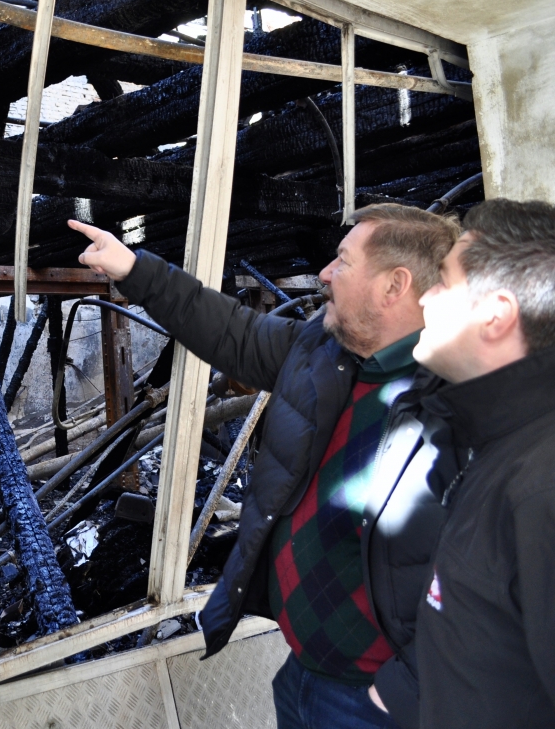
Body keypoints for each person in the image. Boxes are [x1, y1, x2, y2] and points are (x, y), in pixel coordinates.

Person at [70, 204, 459, 729]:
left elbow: (499, 576)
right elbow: (233, 330)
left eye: (343, 261)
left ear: (394, 286)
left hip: (379, 700)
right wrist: (134, 269)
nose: (324, 273)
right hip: (302, 666)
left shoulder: (460, 404)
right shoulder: (323, 350)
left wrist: (404, 689)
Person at [409, 199, 555, 728]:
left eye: (443, 282)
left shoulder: (541, 486)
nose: (424, 297)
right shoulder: (495, 444)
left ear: (495, 313)